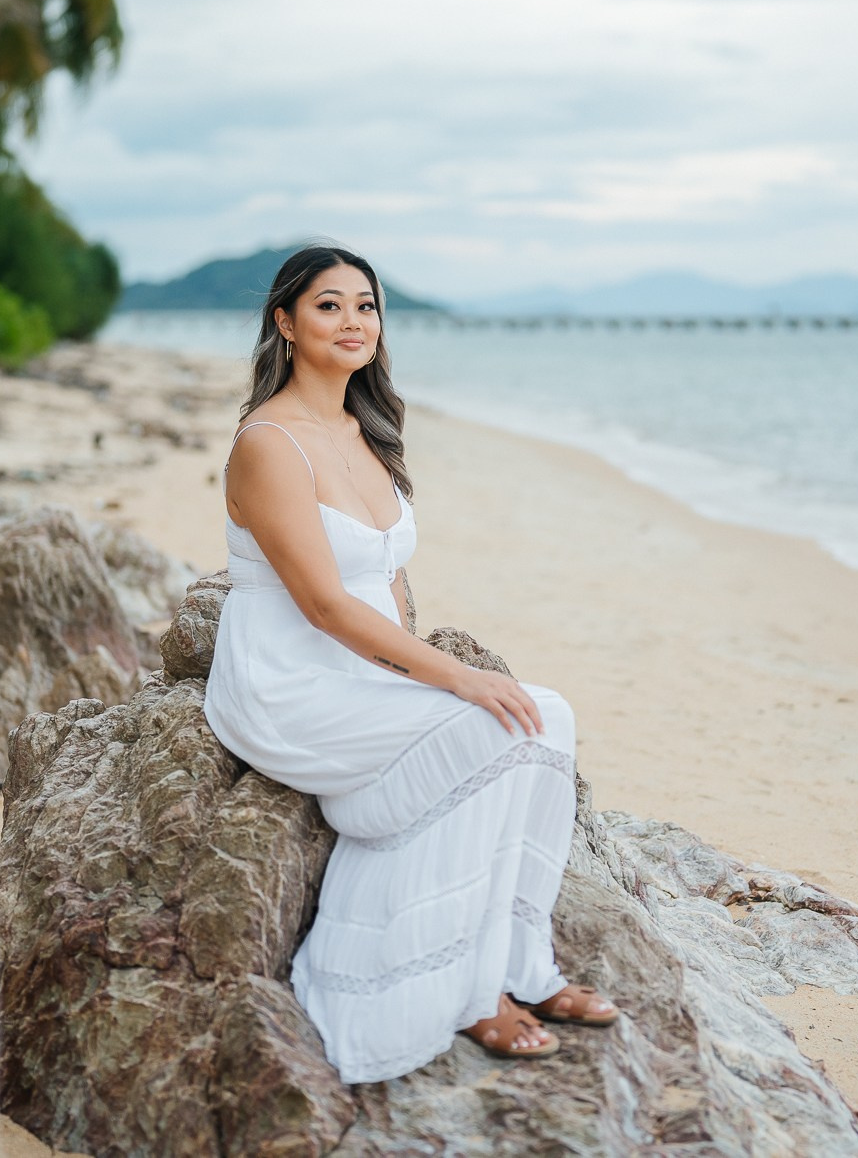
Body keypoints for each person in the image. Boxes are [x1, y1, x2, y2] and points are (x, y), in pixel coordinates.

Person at [203, 240, 620, 1084]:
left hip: (360, 672)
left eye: (367, 304)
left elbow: (387, 582)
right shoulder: (269, 442)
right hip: (289, 681)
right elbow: (323, 604)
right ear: (284, 321)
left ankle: (522, 967)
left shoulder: (365, 428)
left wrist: (412, 674)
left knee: (550, 717)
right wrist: (452, 675)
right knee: (493, 725)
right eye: (329, 304)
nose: (353, 320)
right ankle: (466, 996)